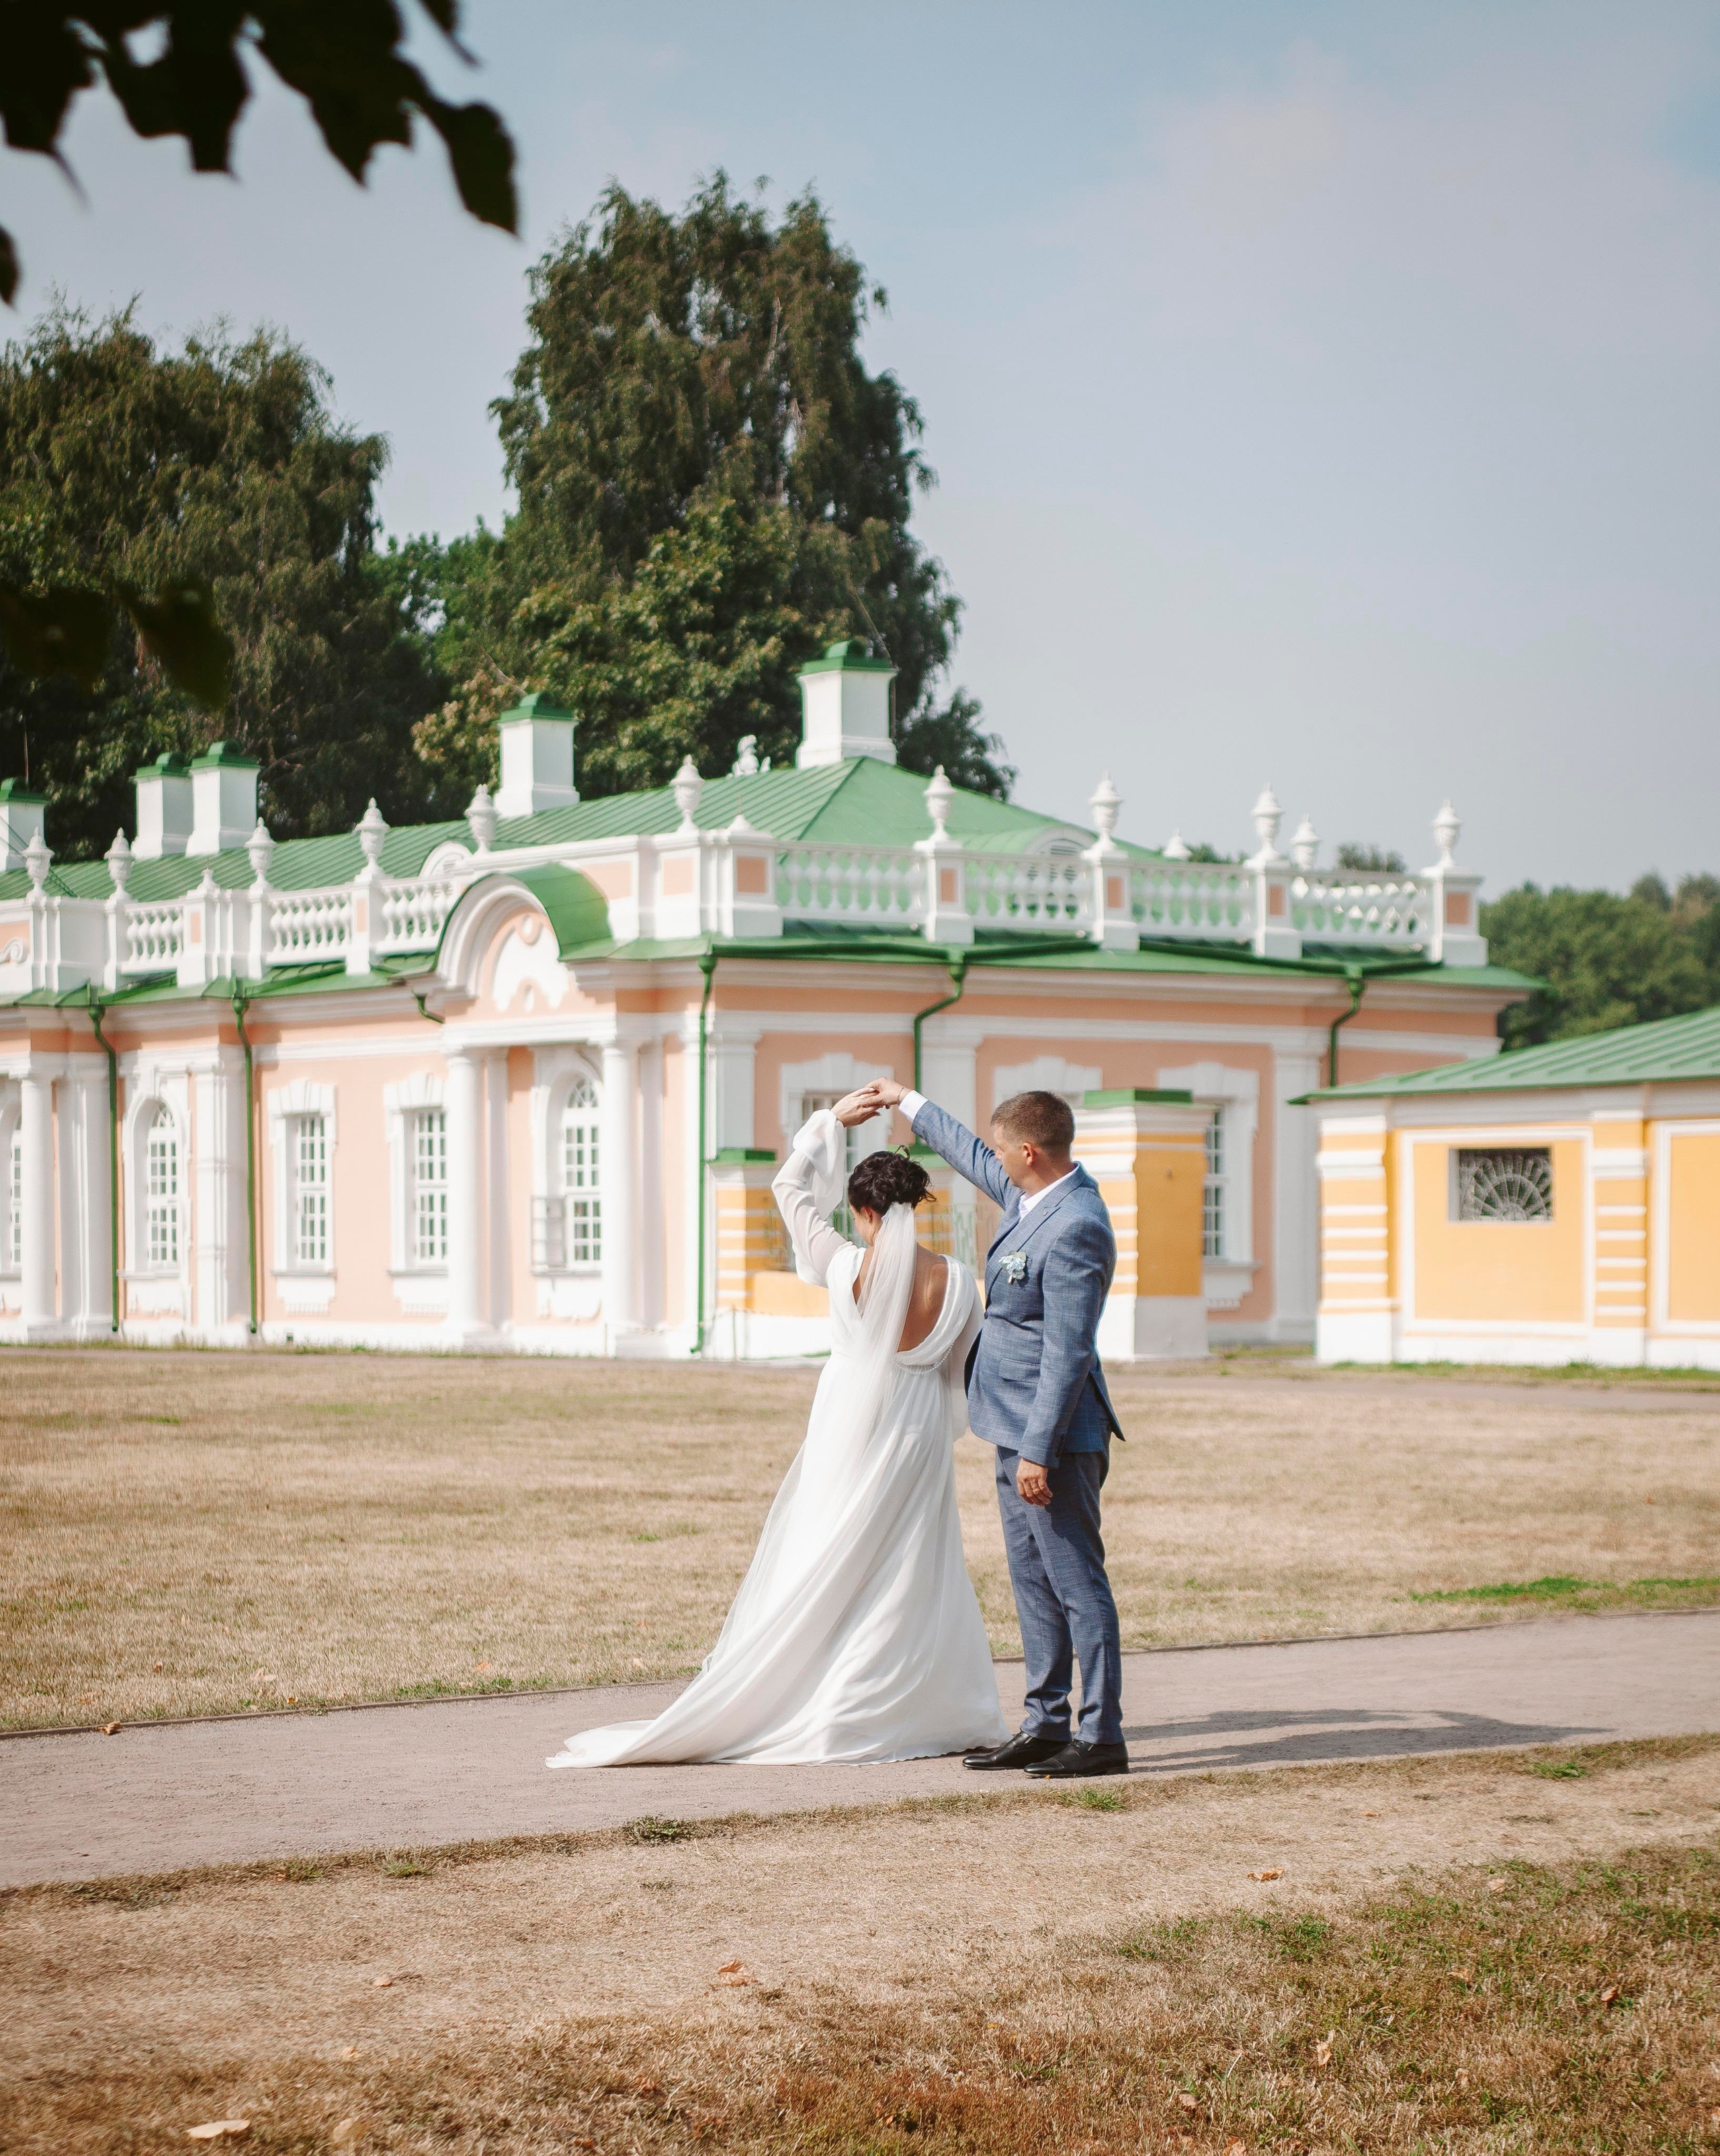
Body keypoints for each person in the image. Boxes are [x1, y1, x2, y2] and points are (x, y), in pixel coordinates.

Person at [546, 1095, 1009, 1768]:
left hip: (848, 1426)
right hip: (916, 1437)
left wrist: (829, 1122)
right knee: (913, 1565)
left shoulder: (843, 1263)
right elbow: (961, 1375)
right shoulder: (961, 1282)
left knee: (824, 1553)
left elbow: (785, 1185)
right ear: (918, 1203)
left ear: (864, 1212)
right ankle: (920, 1704)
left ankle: (824, 1698)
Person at [851, 1081, 1127, 1780]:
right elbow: (971, 1152)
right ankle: (1045, 1722)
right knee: (1031, 1581)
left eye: (1004, 1150)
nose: (993, 1160)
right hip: (1008, 1423)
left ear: (1029, 1151)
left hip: (1053, 1437)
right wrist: (906, 1102)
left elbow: (1067, 1350)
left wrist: (1038, 1449)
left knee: (1075, 1583)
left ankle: (1101, 1736)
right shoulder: (1031, 1195)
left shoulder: (1076, 1223)